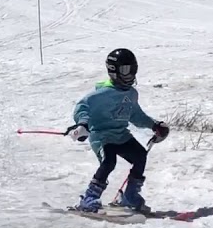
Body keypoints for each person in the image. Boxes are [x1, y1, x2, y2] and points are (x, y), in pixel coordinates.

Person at [68, 49, 170, 213]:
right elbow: (82, 107)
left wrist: (154, 125)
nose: (130, 75)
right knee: (109, 162)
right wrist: (82, 125)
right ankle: (89, 198)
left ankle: (130, 195)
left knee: (140, 156)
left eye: (132, 70)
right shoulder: (101, 94)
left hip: (121, 135)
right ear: (113, 71)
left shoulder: (131, 93)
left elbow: (135, 115)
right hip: (102, 136)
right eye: (125, 70)